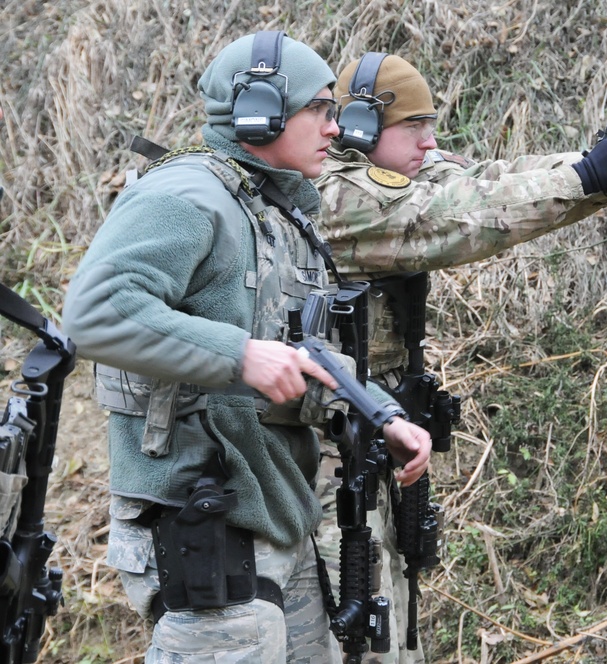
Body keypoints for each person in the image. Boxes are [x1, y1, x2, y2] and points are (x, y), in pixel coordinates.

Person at [62, 33, 431, 663]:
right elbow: (97, 311)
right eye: (318, 109)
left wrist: (382, 415)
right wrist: (239, 354)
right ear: (258, 111)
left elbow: (304, 348)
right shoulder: (186, 196)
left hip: (276, 514)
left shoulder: (273, 209)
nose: (337, 127)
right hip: (205, 518)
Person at [313, 53, 607, 663]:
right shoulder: (337, 198)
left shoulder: (391, 175)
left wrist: (595, 166)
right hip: (332, 456)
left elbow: (484, 178)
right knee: (356, 629)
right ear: (361, 129)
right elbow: (459, 218)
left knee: (396, 620)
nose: (430, 141)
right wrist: (584, 177)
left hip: (379, 431)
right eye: (414, 128)